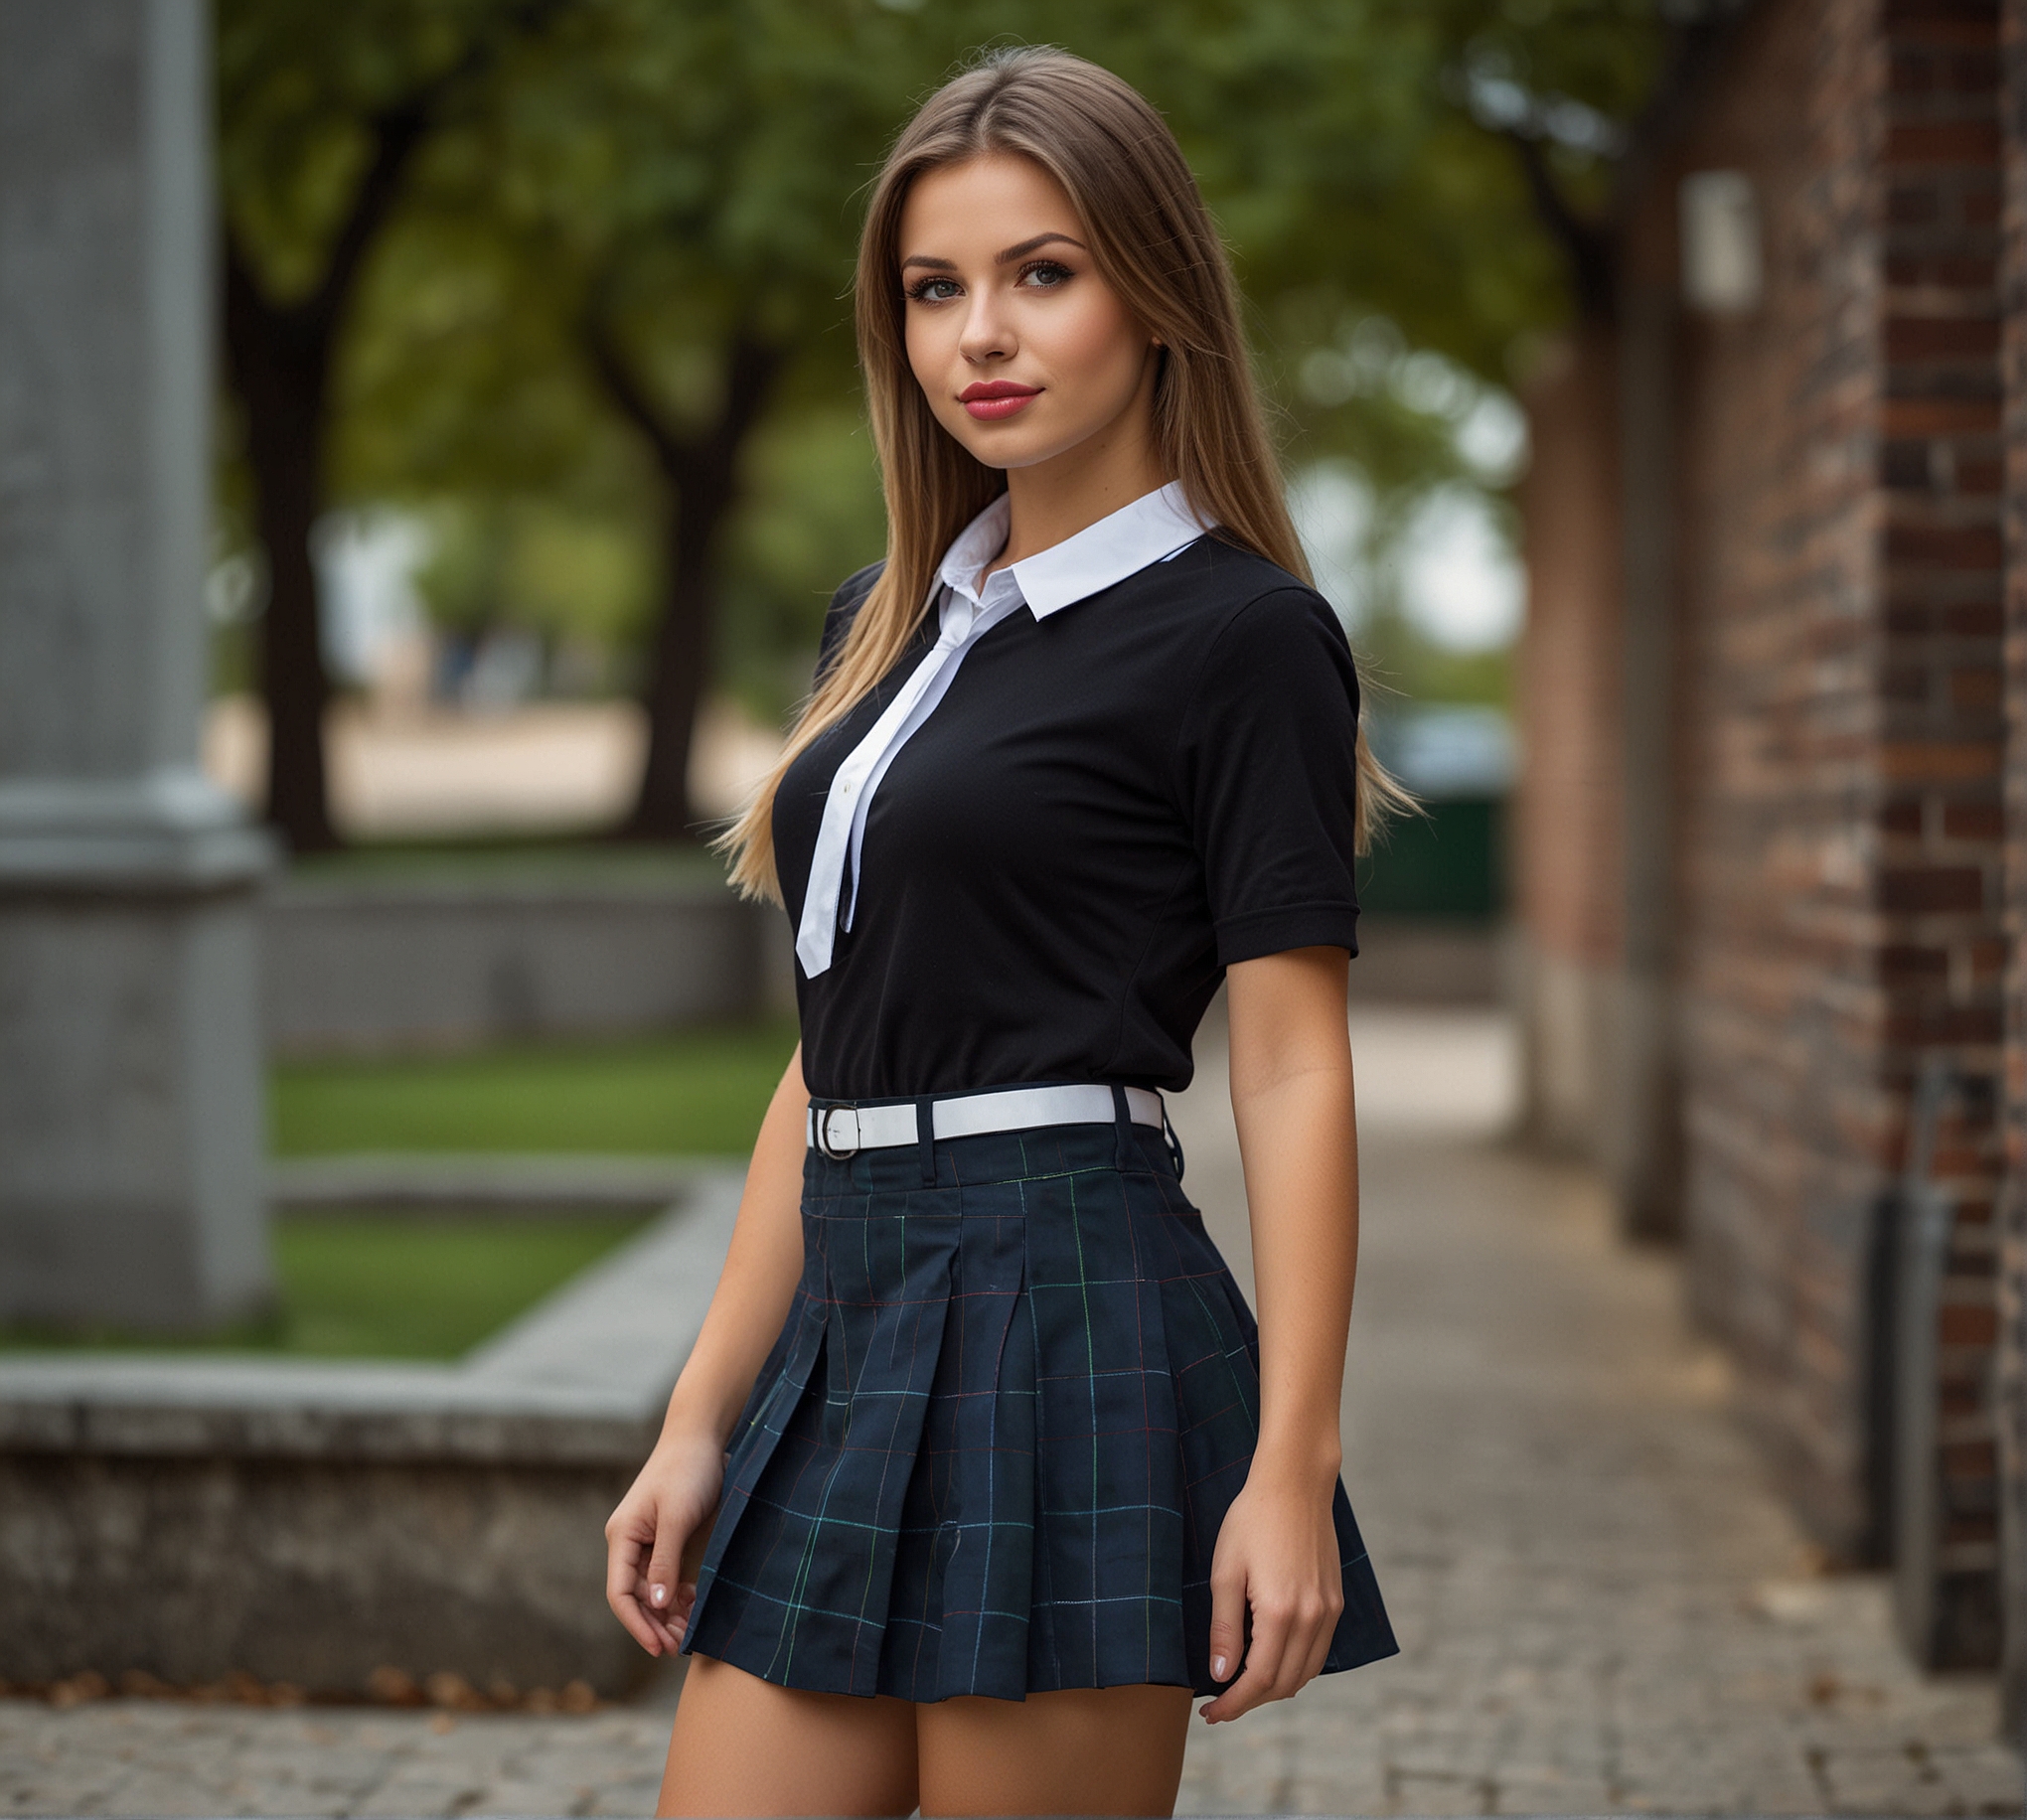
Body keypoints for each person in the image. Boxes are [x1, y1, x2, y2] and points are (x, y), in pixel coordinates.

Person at [603, 44, 1408, 1819]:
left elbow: (1287, 1066)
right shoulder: (880, 627)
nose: (982, 333)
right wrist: (697, 1416)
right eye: (934, 287)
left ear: (1157, 293)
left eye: (1043, 273)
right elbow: (828, 1066)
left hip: (1071, 1308)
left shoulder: (1243, 635)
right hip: (854, 1308)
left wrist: (1291, 1460)